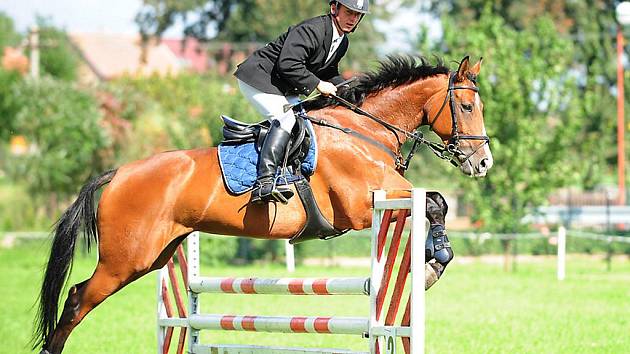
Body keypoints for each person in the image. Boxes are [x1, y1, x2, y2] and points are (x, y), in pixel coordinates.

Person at [234, 0, 369, 204]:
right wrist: (317, 84)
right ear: (334, 8)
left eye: (357, 15)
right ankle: (264, 183)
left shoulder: (342, 41)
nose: (352, 19)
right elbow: (288, 64)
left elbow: (329, 71)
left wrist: (351, 89)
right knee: (286, 120)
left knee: (305, 124)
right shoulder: (312, 29)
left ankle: (287, 174)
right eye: (349, 12)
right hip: (259, 79)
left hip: (281, 86)